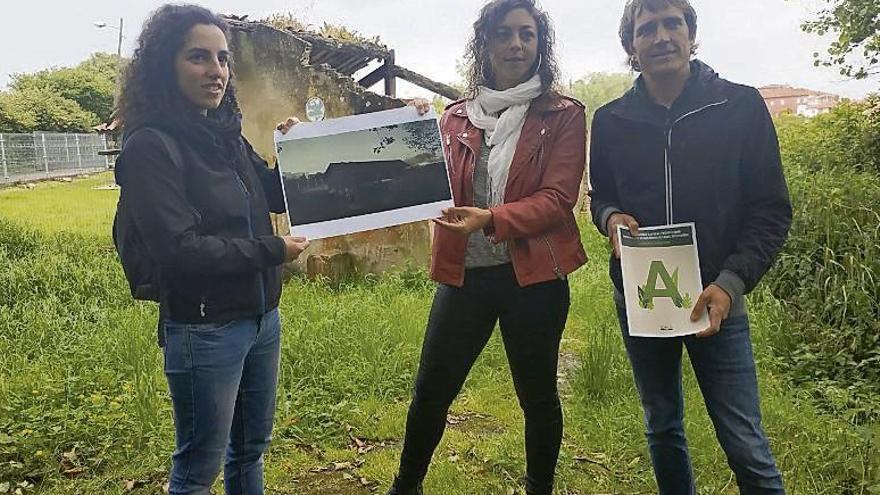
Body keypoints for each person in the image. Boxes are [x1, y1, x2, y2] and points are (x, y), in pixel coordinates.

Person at [588, 0, 792, 493]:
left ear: (690, 33)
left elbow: (771, 209)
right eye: (646, 28)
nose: (661, 37)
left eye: (672, 23)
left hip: (717, 297)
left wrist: (731, 283)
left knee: (744, 441)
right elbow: (602, 197)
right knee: (662, 426)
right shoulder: (611, 119)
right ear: (630, 47)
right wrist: (611, 218)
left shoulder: (739, 106)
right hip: (643, 300)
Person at [387, 1, 587, 493]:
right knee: (431, 392)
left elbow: (559, 200)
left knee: (538, 397)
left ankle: (539, 486)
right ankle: (404, 487)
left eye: (527, 34)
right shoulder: (454, 118)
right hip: (465, 276)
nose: (516, 45)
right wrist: (304, 140)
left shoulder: (563, 116)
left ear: (541, 45)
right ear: (486, 43)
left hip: (535, 279)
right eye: (504, 34)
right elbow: (408, 172)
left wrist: (491, 218)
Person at [114, 4, 308, 494]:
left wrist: (297, 152)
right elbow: (179, 250)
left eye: (222, 59)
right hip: (206, 329)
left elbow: (275, 194)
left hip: (263, 317)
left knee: (249, 451)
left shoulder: (225, 133)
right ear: (165, 63)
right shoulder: (149, 147)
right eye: (198, 57)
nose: (216, 71)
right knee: (198, 470)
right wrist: (273, 251)